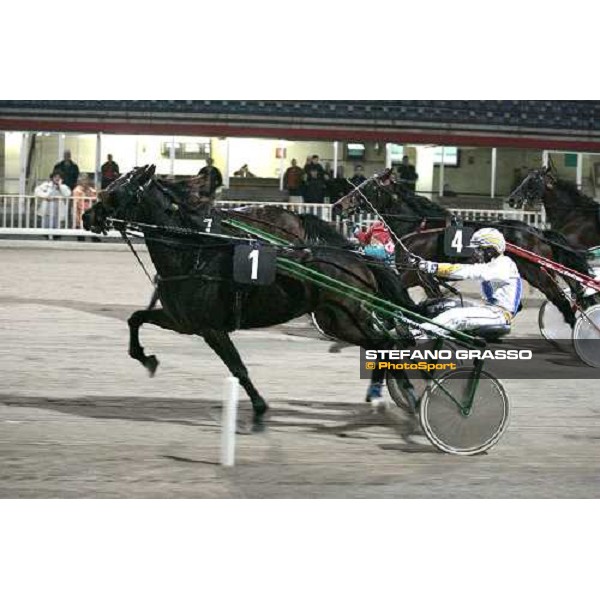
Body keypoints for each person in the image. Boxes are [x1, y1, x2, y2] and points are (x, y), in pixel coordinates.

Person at [416, 228, 523, 334]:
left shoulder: (501, 265)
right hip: (490, 309)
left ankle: (415, 335)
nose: (475, 253)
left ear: (490, 251)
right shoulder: (495, 264)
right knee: (444, 305)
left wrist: (432, 267)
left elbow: (465, 270)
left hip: (498, 314)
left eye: (478, 249)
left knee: (454, 317)